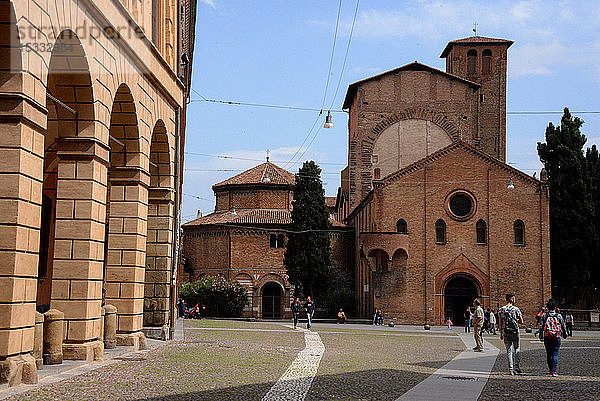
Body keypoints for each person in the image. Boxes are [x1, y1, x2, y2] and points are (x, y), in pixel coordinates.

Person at [539, 299, 568, 377]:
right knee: (555, 354)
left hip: (547, 336)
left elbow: (541, 327)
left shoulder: (544, 315)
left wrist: (541, 336)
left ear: (548, 307)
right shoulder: (558, 315)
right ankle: (554, 371)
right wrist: (565, 334)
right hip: (556, 336)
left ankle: (550, 369)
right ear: (555, 307)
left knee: (549, 354)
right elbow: (563, 325)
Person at [498, 293, 524, 375]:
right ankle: (517, 364)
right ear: (512, 299)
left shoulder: (501, 309)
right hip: (515, 331)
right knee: (517, 348)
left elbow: (500, 323)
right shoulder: (516, 309)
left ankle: (511, 369)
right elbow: (521, 321)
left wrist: (501, 334)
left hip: (506, 331)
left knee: (509, 351)